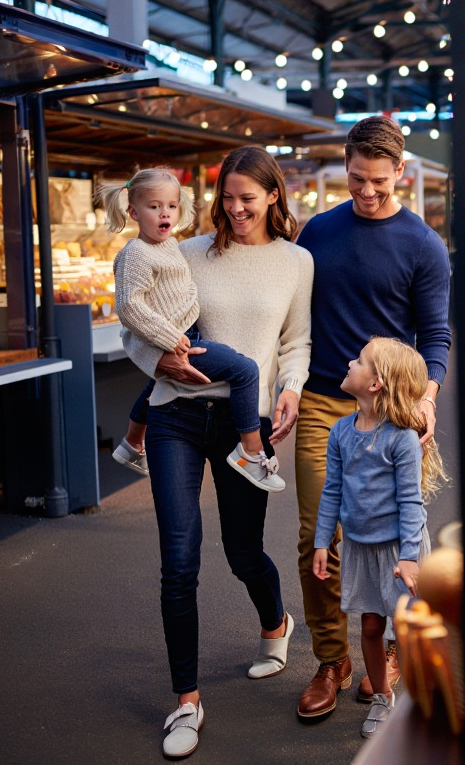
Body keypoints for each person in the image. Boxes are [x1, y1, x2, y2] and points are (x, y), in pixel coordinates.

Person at [121, 146, 313, 758]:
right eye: (225, 199)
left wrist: (290, 390)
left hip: (243, 421)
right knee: (178, 562)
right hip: (176, 414)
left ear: (272, 196)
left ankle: (274, 623)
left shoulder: (297, 262)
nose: (233, 210)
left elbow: (297, 339)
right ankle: (186, 702)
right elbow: (138, 322)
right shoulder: (186, 251)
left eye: (246, 199)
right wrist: (159, 359)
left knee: (243, 551)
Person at [293, 115, 452, 718]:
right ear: (345, 167)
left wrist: (427, 399)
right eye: (357, 179)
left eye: (379, 182)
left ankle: (383, 650)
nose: (366, 192)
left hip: (390, 412)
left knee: (389, 536)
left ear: (401, 174)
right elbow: (295, 320)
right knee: (319, 534)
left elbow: (435, 335)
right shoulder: (318, 233)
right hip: (322, 401)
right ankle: (332, 658)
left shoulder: (423, 244)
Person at [102, 167, 286, 493]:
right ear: (133, 211)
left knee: (157, 381)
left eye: (171, 206)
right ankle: (251, 452)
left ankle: (131, 443)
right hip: (183, 339)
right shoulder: (135, 253)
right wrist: (171, 341)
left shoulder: (171, 245)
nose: (165, 213)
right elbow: (129, 308)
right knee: (244, 370)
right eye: (154, 206)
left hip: (188, 333)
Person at [312, 337, 446, 738]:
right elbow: (332, 490)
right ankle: (382, 698)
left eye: (360, 360)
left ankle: (418, 700)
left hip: (398, 550)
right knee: (370, 627)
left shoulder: (400, 438)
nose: (350, 362)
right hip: (360, 548)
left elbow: (410, 503)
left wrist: (409, 558)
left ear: (375, 384)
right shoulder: (340, 433)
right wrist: (323, 540)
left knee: (405, 630)